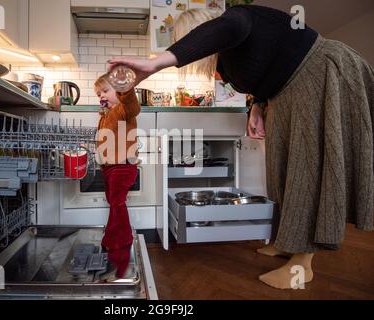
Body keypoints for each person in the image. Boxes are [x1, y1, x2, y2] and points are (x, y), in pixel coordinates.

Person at [108, 5, 374, 289]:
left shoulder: (238, 18)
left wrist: (157, 62)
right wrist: (257, 106)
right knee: (279, 168)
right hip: (284, 93)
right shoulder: (226, 59)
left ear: (201, 31)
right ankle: (289, 241)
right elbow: (266, 74)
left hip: (319, 71)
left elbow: (229, 29)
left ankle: (302, 263)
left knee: (305, 166)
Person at [94, 74, 141, 280]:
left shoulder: (123, 110)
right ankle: (113, 238)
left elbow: (132, 104)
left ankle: (121, 240)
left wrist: (125, 87)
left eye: (105, 91)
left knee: (117, 202)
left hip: (123, 166)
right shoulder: (106, 115)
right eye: (98, 94)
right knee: (114, 202)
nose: (101, 96)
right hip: (110, 168)